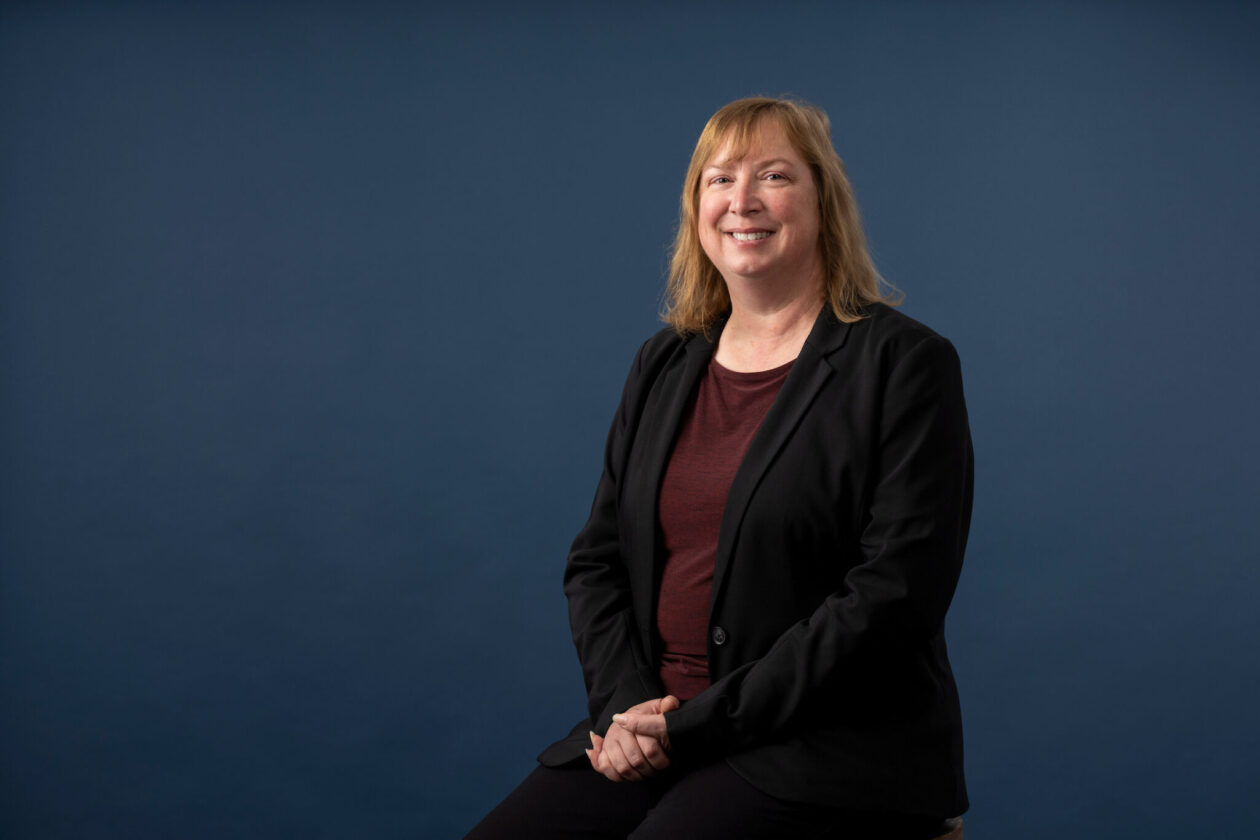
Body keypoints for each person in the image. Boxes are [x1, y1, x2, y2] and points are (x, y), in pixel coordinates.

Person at [464, 96, 973, 839]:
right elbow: (597, 563)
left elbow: (892, 598)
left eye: (773, 176)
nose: (742, 201)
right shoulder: (664, 363)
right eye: (719, 178)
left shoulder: (904, 365)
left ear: (822, 201)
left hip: (821, 746)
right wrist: (628, 710)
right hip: (656, 729)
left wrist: (700, 724)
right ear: (696, 207)